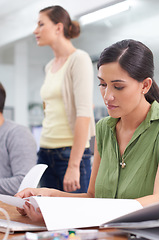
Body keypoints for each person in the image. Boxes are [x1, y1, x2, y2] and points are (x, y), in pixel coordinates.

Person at [16, 39, 159, 222]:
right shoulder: (104, 128)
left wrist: (63, 212)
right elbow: (93, 197)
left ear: (145, 85)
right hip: (112, 233)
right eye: (103, 84)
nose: (107, 96)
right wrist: (48, 197)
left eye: (118, 86)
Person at [33, 5, 95, 193]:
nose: (36, 31)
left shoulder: (79, 59)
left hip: (69, 154)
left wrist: (74, 166)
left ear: (58, 28)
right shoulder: (49, 66)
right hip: (45, 151)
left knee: (77, 220)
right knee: (46, 219)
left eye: (41, 24)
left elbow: (84, 113)